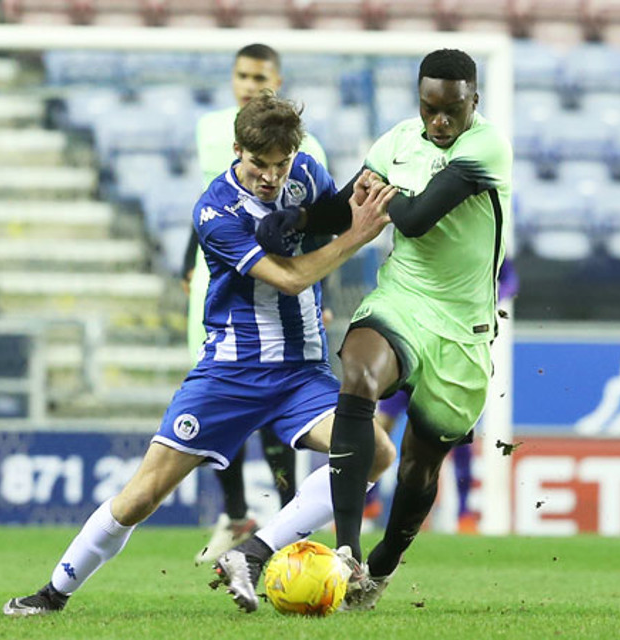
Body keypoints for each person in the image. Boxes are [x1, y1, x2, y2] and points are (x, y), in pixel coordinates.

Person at [4, 92, 397, 617]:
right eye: (259, 164)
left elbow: (327, 220)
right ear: (237, 150)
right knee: (142, 496)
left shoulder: (305, 172)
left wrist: (357, 199)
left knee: (377, 452)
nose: (271, 177)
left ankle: (253, 553)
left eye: (280, 164)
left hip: (302, 373)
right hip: (230, 374)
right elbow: (287, 278)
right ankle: (52, 593)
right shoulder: (216, 210)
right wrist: (359, 236)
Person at [213, 48, 512, 614]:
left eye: (451, 110)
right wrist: (298, 219)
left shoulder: (487, 146)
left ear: (474, 100)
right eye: (429, 110)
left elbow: (420, 217)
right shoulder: (399, 141)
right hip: (403, 296)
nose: (439, 122)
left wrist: (383, 193)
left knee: (421, 463)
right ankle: (347, 549)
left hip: (462, 325)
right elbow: (346, 208)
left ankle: (381, 566)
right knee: (356, 377)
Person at [182, 43, 331, 565]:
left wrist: (324, 296)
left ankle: (286, 514)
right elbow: (209, 200)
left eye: (259, 75)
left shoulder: (304, 154)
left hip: (285, 290)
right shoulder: (213, 130)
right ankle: (237, 513)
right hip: (222, 280)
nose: (249, 83)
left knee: (276, 412)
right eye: (242, 74)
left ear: (277, 78)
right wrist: (188, 261)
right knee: (230, 400)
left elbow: (321, 228)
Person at [373, 258, 517, 535]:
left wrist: (490, 296)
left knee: (457, 436)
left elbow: (510, 278)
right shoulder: (419, 233)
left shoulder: (480, 235)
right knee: (381, 424)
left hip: (454, 355)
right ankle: (369, 497)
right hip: (413, 348)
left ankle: (465, 513)